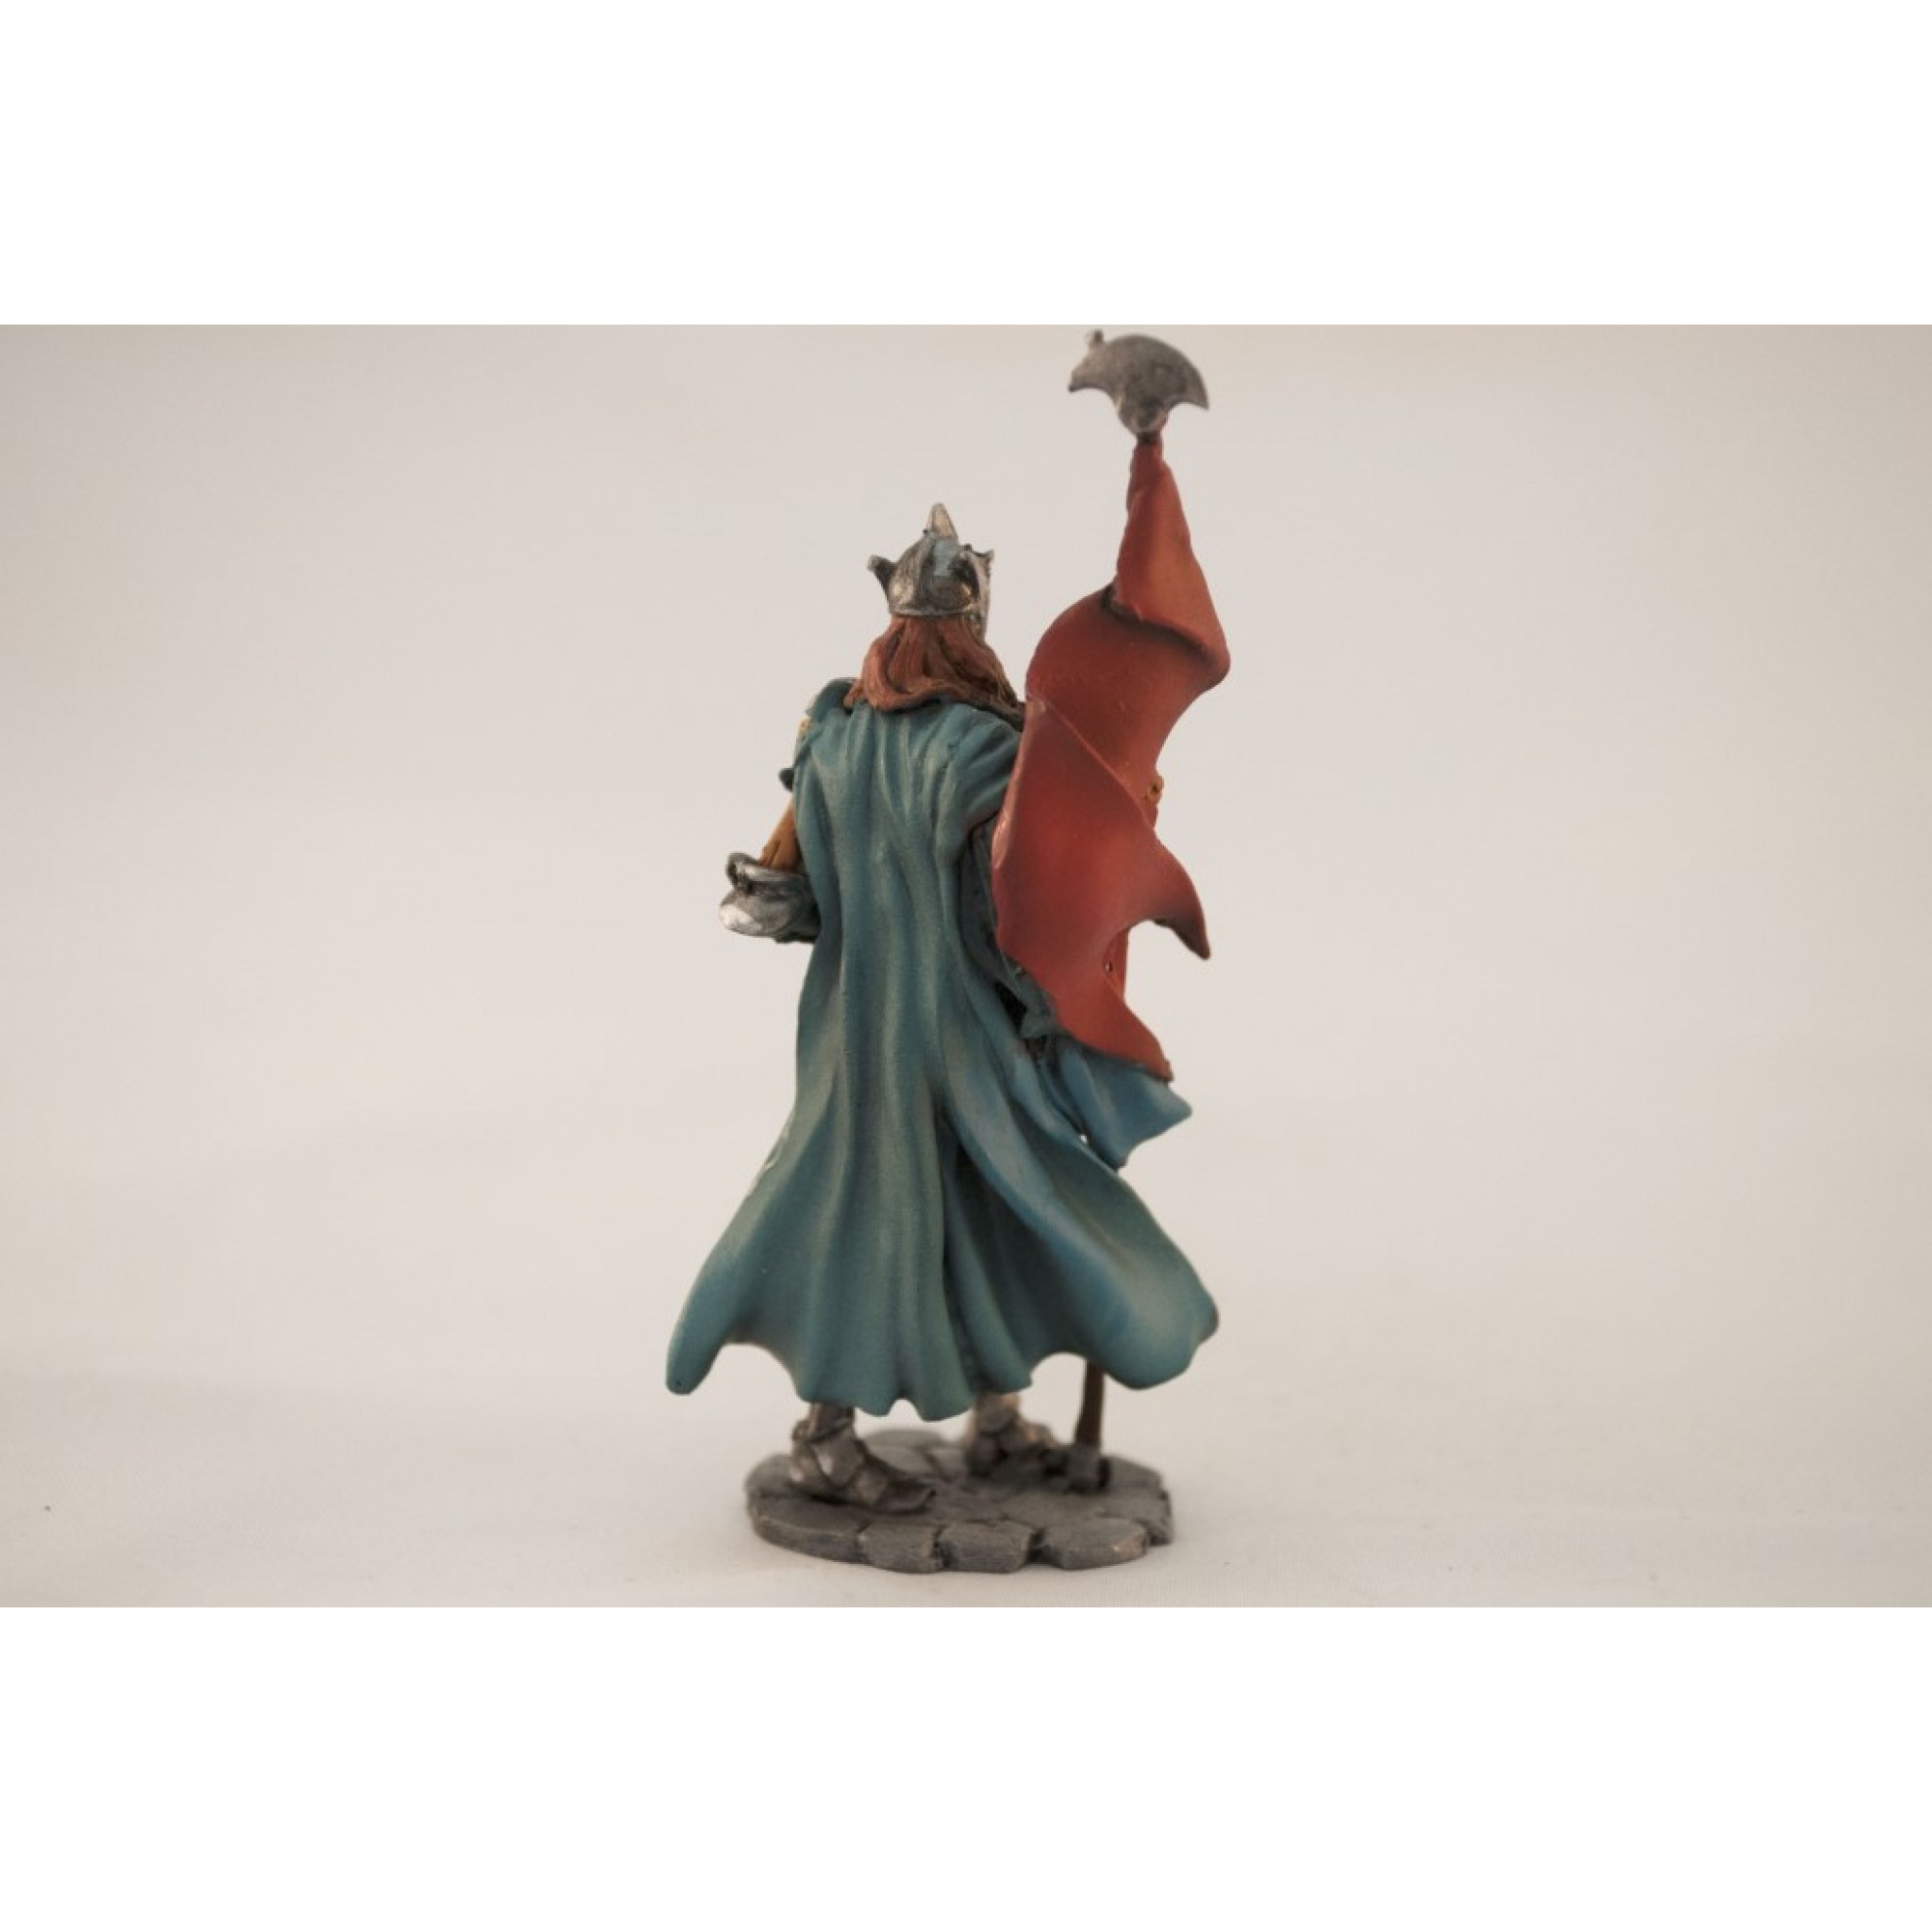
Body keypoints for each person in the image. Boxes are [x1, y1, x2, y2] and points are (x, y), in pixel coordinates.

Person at [665, 496, 1218, 1514]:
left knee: (955, 1208)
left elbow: (787, 898)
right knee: (918, 1209)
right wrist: (1110, 851)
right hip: (960, 1034)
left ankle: (994, 1418)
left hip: (854, 1034)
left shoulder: (831, 736)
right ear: (971, 626)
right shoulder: (985, 754)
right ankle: (825, 1437)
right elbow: (1010, 909)